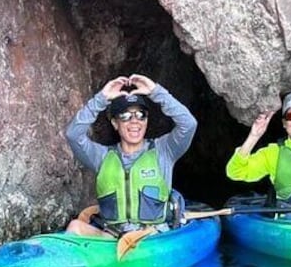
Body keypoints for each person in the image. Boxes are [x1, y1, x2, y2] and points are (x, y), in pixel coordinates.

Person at [65, 74, 197, 237]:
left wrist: (155, 92)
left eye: (141, 115)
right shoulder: (100, 156)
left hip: (152, 235)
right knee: (75, 226)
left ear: (146, 121)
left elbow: (188, 124)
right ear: (115, 123)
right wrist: (101, 99)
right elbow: (73, 134)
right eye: (125, 116)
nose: (134, 121)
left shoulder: (164, 150)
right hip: (113, 236)